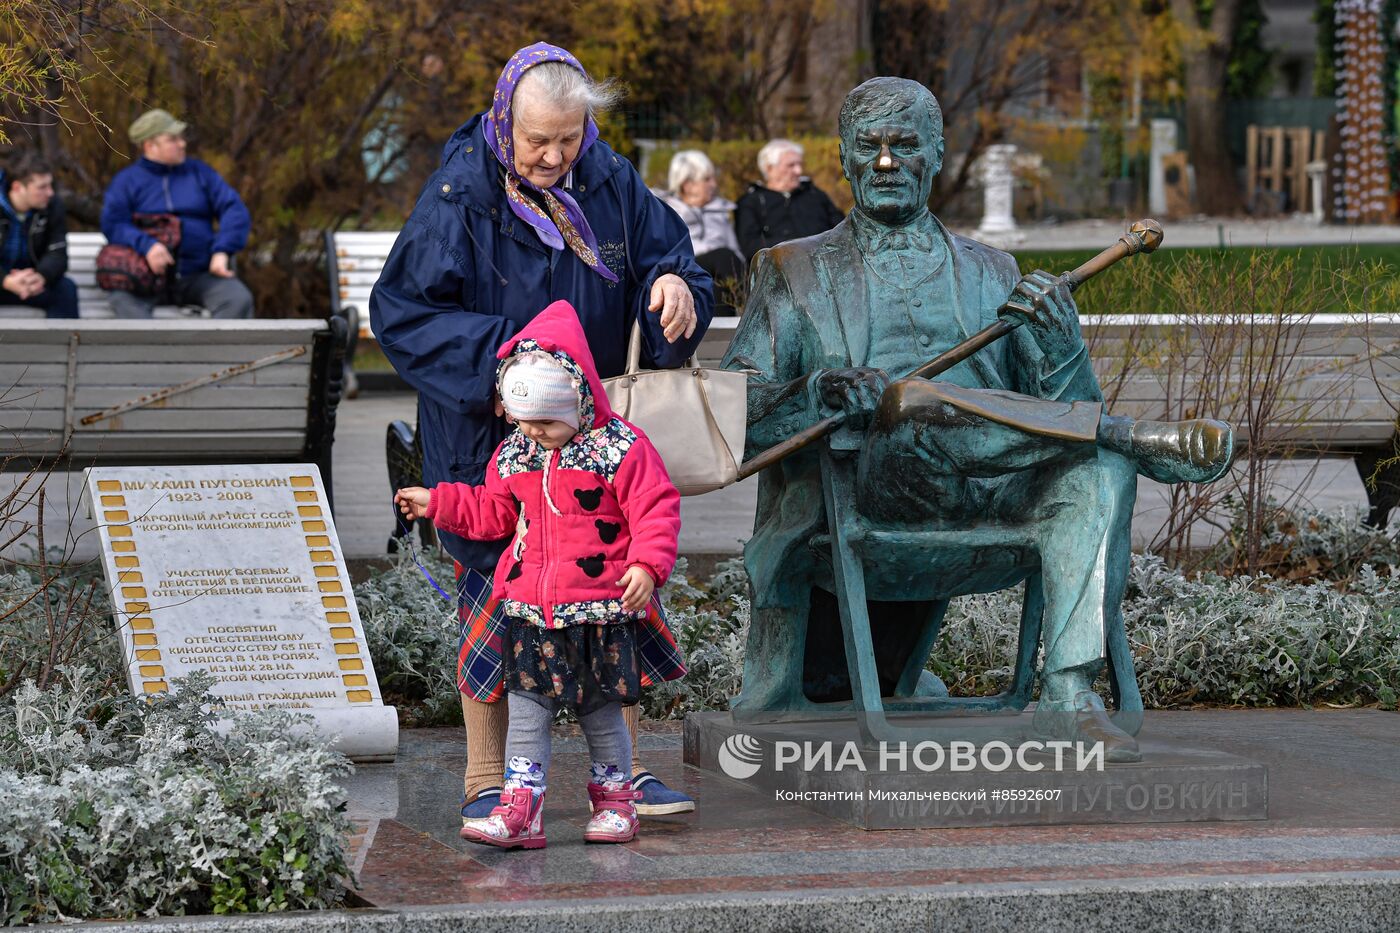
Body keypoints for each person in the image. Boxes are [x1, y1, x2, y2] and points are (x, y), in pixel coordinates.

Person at [722, 77, 1233, 760]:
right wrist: (819, 388)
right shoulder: (793, 269)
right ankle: (1134, 438)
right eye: (868, 146)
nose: (884, 162)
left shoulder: (995, 270)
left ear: (936, 155)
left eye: (904, 145)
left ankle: (1068, 696)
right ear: (842, 158)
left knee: (1098, 467)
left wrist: (1060, 347)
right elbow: (737, 406)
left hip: (990, 501)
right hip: (871, 490)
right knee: (914, 402)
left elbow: (1058, 415)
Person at [370, 42, 713, 822]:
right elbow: (401, 312)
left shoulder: (611, 177)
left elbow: (671, 256)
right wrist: (504, 361)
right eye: (539, 141)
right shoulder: (460, 192)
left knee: (609, 587)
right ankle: (487, 777)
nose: (556, 155)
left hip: (594, 438)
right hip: (492, 436)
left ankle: (622, 776)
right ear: (505, 121)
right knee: (495, 594)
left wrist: (674, 285)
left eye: (569, 136)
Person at [396, 299, 681, 849]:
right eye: (524, 420)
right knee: (526, 714)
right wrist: (439, 503)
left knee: (602, 715)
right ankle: (520, 809)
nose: (536, 432)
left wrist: (647, 565)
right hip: (531, 611)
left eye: (547, 420)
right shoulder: (515, 455)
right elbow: (494, 513)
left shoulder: (620, 450)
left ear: (577, 401)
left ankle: (617, 803)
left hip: (599, 609)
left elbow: (655, 508)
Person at [99, 108, 254, 318]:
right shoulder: (127, 181)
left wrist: (222, 250)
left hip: (198, 274)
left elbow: (234, 209)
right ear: (150, 145)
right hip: (146, 278)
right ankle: (149, 352)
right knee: (123, 301)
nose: (182, 144)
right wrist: (147, 246)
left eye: (181, 138)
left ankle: (215, 352)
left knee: (237, 298)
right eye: (173, 139)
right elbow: (113, 223)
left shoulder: (200, 173)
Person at [656, 150, 743, 315]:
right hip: (682, 269)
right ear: (687, 185)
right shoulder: (667, 211)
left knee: (719, 280)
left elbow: (735, 251)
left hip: (718, 272)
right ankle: (753, 308)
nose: (714, 185)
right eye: (707, 179)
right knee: (723, 256)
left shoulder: (719, 210)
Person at [734, 138, 844, 259]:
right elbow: (750, 246)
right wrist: (797, 246)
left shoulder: (814, 194)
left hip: (827, 260)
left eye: (800, 164)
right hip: (782, 266)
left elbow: (842, 229)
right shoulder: (752, 202)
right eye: (791, 165)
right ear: (770, 169)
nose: (799, 171)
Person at [0, 152, 77, 319]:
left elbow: (58, 252)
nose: (50, 193)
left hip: (33, 283)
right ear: (17, 187)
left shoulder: (52, 205)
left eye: (50, 185)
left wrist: (41, 276)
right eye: (42, 187)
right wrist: (5, 281)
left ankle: (61, 345)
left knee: (65, 288)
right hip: (4, 281)